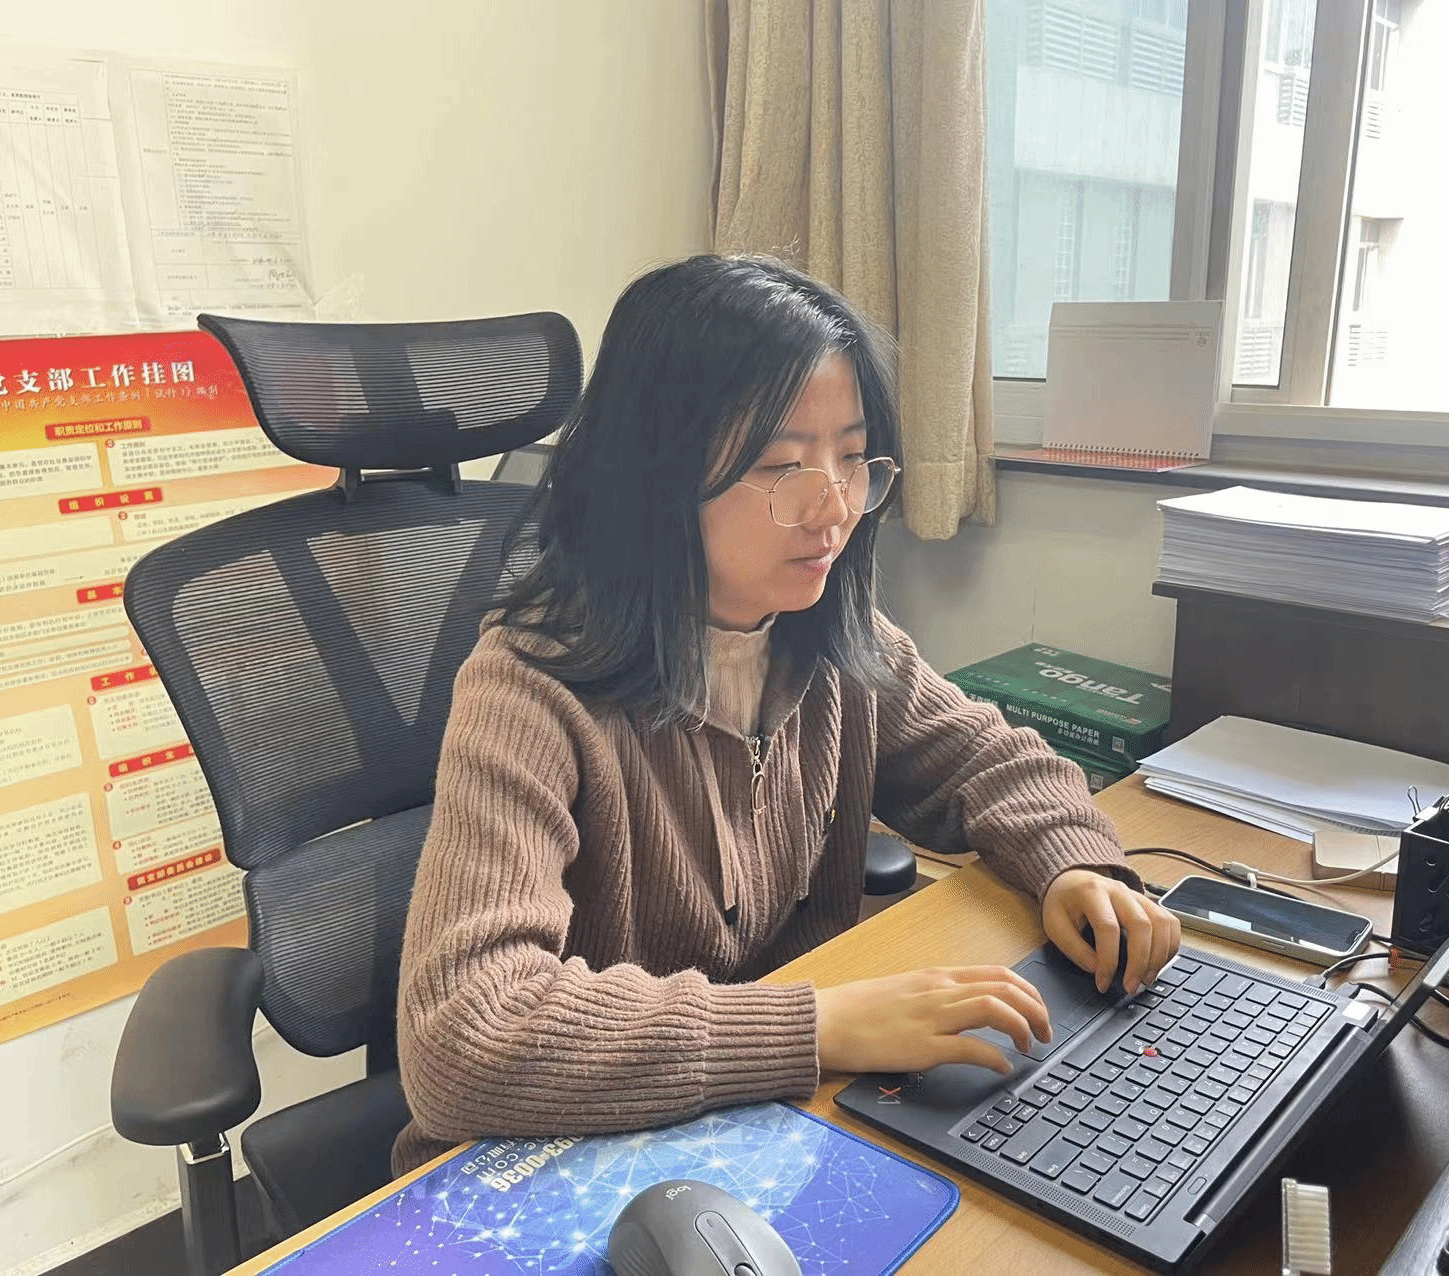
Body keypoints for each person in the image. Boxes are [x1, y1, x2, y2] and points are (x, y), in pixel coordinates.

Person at [393, 254, 1181, 1173]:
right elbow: (463, 1036)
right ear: (654, 478)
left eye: (853, 458)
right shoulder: (531, 685)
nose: (833, 509)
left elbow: (987, 759)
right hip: (552, 1165)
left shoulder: (831, 636)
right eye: (781, 467)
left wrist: (1074, 863)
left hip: (758, 1132)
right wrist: (817, 1025)